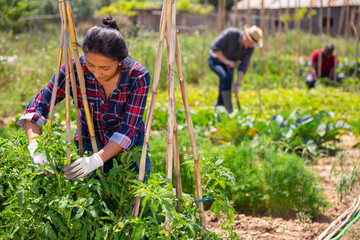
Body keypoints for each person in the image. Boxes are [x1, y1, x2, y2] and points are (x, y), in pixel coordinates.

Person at [18, 17, 151, 180]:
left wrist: (95, 161)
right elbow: (37, 107)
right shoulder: (74, 70)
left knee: (132, 197)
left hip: (129, 149)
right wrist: (35, 148)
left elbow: (129, 128)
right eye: (90, 65)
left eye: (105, 68)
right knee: (93, 197)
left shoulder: (137, 76)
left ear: (120, 61)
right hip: (88, 141)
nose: (96, 73)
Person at [208, 25, 263, 113]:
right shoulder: (231, 33)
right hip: (215, 60)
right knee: (226, 78)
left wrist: (238, 84)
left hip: (230, 66)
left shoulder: (250, 48)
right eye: (251, 42)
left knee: (226, 83)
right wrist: (227, 61)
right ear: (245, 37)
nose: (252, 45)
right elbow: (215, 48)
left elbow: (243, 66)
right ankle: (228, 109)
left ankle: (219, 108)